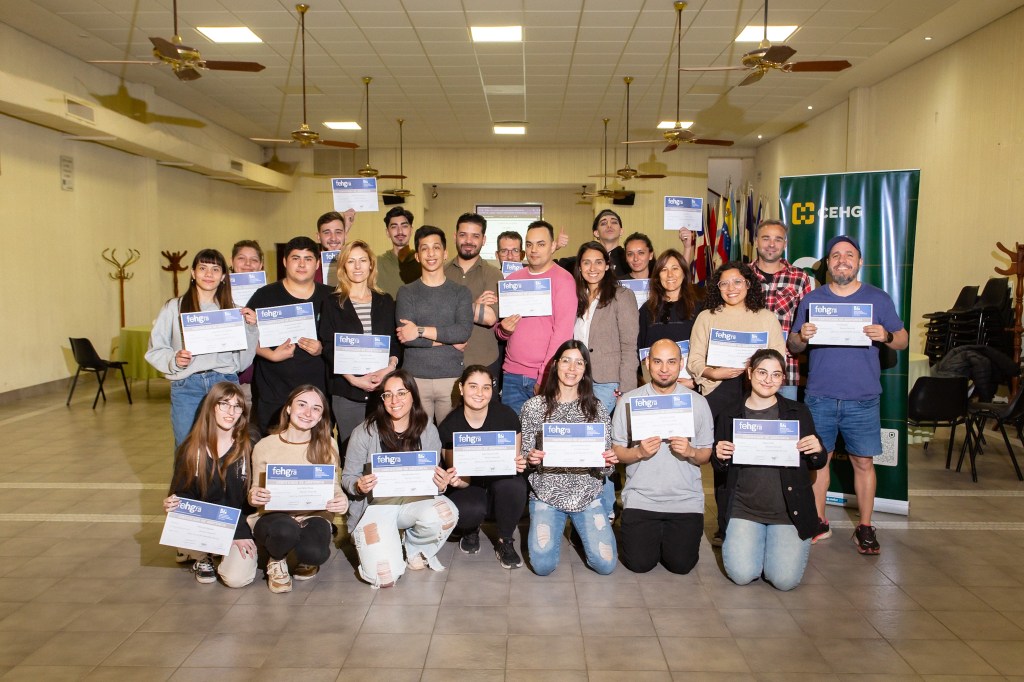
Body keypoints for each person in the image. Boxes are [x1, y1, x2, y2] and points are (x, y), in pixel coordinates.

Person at [789, 235, 908, 554]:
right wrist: (802, 335)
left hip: (863, 397)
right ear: (827, 263)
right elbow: (793, 345)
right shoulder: (812, 300)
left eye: (849, 255)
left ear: (859, 262)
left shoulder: (878, 299)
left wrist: (886, 335)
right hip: (820, 396)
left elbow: (903, 340)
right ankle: (819, 521)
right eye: (836, 255)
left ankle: (865, 527)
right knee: (818, 461)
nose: (842, 259)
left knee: (863, 462)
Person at [688, 260, 786, 546]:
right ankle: (724, 526)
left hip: (755, 397)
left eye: (737, 282)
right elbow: (694, 361)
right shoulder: (707, 317)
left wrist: (757, 369)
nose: (731, 288)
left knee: (754, 460)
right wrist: (712, 372)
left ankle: (758, 521)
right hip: (718, 395)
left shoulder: (766, 318)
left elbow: (777, 358)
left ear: (748, 284)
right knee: (724, 462)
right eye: (724, 283)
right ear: (717, 288)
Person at [711, 349, 827, 590]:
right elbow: (720, 469)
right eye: (762, 372)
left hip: (787, 512)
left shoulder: (798, 413)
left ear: (783, 378)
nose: (768, 380)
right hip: (744, 509)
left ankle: (772, 546)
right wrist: (719, 455)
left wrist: (817, 449)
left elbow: (817, 462)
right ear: (750, 373)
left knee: (784, 581)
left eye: (776, 375)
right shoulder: (729, 415)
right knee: (742, 575)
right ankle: (754, 542)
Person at [342, 370, 458, 587]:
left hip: (412, 505)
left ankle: (413, 546)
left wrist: (441, 485)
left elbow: (434, 480)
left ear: (413, 395)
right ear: (382, 399)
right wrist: (358, 485)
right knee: (384, 578)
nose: (395, 400)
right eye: (388, 394)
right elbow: (348, 477)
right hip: (375, 507)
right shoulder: (365, 431)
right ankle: (387, 540)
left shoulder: (427, 430)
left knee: (444, 513)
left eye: (401, 393)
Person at [611, 339, 713, 574]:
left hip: (685, 501)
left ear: (681, 364)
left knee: (681, 565)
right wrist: (638, 452)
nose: (664, 369)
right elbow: (617, 451)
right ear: (647, 363)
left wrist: (690, 452)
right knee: (639, 564)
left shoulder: (697, 403)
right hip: (642, 499)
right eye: (657, 361)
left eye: (671, 362)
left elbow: (706, 454)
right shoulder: (628, 401)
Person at [520, 341, 618, 576]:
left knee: (606, 565)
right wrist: (531, 458)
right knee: (542, 567)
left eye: (579, 362)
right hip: (546, 493)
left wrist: (608, 463)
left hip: (587, 493)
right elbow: (524, 457)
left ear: (585, 369)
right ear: (555, 365)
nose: (572, 368)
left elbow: (606, 471)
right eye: (566, 360)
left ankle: (580, 530)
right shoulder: (533, 407)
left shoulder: (597, 408)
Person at [146, 249, 258, 447]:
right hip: (187, 386)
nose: (208, 274)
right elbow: (155, 349)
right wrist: (174, 360)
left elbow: (242, 362)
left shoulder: (234, 311)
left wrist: (250, 329)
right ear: (192, 273)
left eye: (215, 269)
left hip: (224, 383)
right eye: (203, 268)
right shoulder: (174, 307)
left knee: (224, 448)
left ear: (223, 276)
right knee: (187, 448)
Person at [247, 385, 347, 593]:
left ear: (321, 417)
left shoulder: (328, 444)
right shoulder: (265, 445)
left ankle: (304, 553)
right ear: (289, 408)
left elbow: (334, 485)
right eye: (302, 405)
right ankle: (277, 559)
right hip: (274, 516)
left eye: (316, 408)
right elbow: (255, 489)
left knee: (315, 553)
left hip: (313, 514)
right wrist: (254, 495)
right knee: (284, 530)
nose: (308, 413)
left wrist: (340, 498)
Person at [164, 382, 258, 586]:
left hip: (239, 524)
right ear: (211, 406)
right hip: (208, 524)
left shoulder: (250, 443)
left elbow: (253, 502)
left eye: (237, 406)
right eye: (224, 404)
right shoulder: (190, 448)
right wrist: (173, 503)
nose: (231, 411)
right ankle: (202, 556)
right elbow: (182, 493)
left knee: (236, 579)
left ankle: (225, 551)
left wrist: (238, 532)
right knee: (180, 513)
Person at [439, 365, 527, 568]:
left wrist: (519, 462)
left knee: (514, 485)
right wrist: (458, 481)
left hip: (500, 479)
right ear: (461, 388)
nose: (479, 393)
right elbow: (459, 476)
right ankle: (470, 529)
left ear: (492, 390)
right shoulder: (450, 426)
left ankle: (506, 540)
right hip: (469, 484)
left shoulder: (506, 416)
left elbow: (513, 460)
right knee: (468, 509)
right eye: (473, 386)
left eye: (486, 387)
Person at [318, 240, 401, 451]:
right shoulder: (332, 302)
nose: (357, 266)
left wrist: (389, 369)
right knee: (352, 451)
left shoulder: (385, 301)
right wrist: (353, 379)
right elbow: (328, 346)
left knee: (383, 449)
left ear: (371, 265)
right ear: (343, 266)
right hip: (347, 391)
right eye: (351, 261)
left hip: (383, 391)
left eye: (362, 260)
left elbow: (395, 341)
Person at [247, 236, 334, 435]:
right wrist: (270, 355)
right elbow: (245, 337)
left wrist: (322, 348)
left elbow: (341, 339)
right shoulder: (264, 295)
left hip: (317, 396)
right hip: (274, 396)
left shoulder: (331, 297)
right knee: (274, 460)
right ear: (285, 262)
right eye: (295, 258)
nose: (302, 264)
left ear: (317, 263)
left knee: (315, 457)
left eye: (308, 258)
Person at [496, 220, 577, 413]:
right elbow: (500, 331)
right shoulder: (513, 280)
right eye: (529, 244)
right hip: (512, 375)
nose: (534, 250)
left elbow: (562, 335)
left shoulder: (564, 280)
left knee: (541, 440)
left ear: (553, 246)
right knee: (514, 439)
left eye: (541, 244)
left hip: (545, 377)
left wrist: (545, 376)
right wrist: (503, 330)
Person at [395, 225, 474, 424]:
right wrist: (448, 340)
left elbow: (463, 332)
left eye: (436, 247)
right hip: (415, 379)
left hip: (451, 378)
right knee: (418, 442)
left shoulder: (461, 292)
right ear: (418, 257)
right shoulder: (406, 292)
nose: (431, 253)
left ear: (445, 253)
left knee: (449, 443)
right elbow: (407, 338)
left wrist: (420, 330)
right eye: (424, 248)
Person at [573, 241, 639, 412]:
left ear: (607, 266)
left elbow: (629, 346)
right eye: (586, 262)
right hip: (577, 379)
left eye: (599, 262)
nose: (592, 268)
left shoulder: (622, 296)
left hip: (608, 382)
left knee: (593, 428)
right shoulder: (575, 298)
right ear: (580, 267)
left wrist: (627, 390)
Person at [749, 219, 812, 400]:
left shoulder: (800, 278)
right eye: (766, 238)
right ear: (756, 241)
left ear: (785, 244)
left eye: (778, 239)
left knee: (785, 425)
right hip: (747, 369)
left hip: (786, 372)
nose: (771, 244)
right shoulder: (742, 275)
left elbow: (805, 325)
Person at [444, 213, 502, 380]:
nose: (468, 241)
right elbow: (433, 314)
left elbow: (490, 318)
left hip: (484, 361)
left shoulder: (493, 274)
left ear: (483, 240)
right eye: (463, 235)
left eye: (475, 236)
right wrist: (475, 305)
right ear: (455, 237)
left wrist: (450, 306)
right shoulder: (441, 273)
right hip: (447, 361)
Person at [637, 249, 703, 387]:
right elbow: (638, 351)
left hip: (688, 387)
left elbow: (706, 352)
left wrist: (695, 382)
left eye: (675, 268)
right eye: (664, 270)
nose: (670, 275)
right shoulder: (646, 310)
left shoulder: (699, 309)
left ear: (684, 273)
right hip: (653, 387)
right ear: (657, 276)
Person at [230, 240, 264, 404]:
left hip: (258, 381)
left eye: (254, 260)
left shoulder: (270, 295)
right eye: (242, 258)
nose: (248, 264)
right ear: (232, 261)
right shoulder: (217, 294)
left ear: (261, 265)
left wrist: (260, 323)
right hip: (227, 378)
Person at [376, 206, 421, 298]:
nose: (400, 231)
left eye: (404, 226)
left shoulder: (422, 262)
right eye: (394, 227)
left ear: (411, 230)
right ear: (388, 232)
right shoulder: (376, 263)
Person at [314, 209, 356, 284]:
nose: (333, 238)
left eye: (338, 232)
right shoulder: (311, 267)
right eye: (327, 232)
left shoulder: (355, 266)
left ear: (345, 235)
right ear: (318, 237)